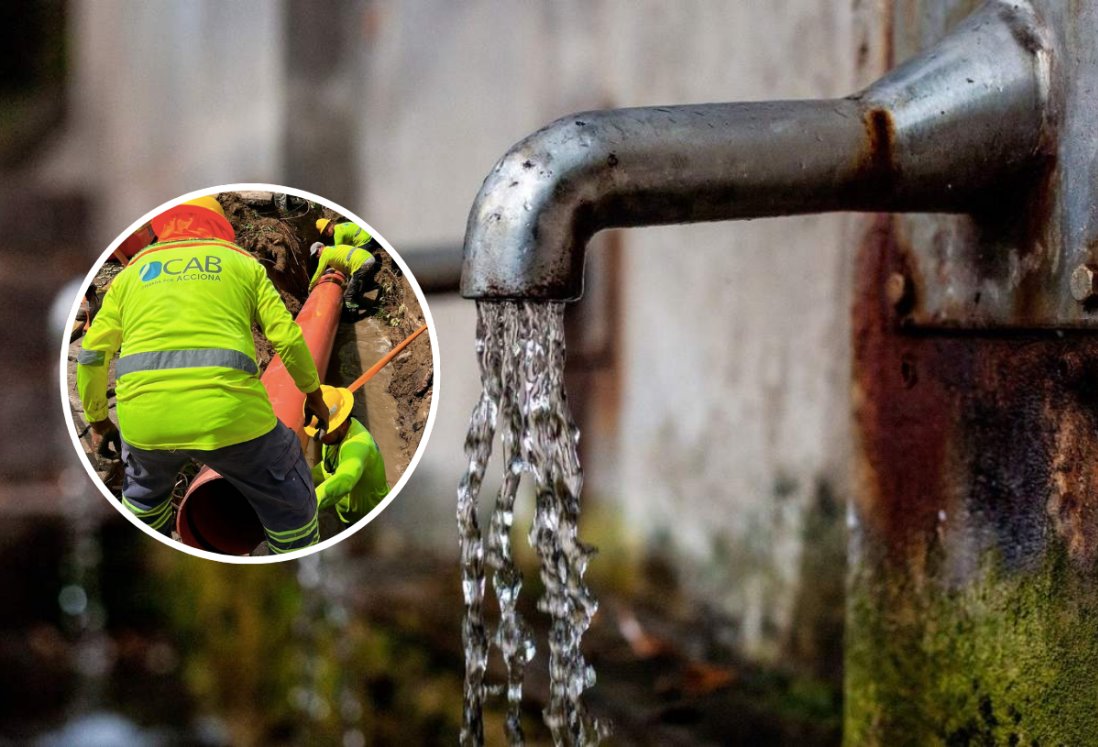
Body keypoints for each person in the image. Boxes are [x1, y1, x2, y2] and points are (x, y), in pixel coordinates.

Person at [77, 196, 331, 554]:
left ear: (163, 225)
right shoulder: (243, 264)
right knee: (292, 504)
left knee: (143, 498)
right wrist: (314, 396)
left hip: (146, 425)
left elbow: (90, 356)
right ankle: (296, 558)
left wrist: (99, 420)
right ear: (218, 224)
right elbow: (288, 337)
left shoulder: (130, 274)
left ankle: (146, 554)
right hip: (232, 419)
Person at [303, 385, 389, 526]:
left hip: (372, 519)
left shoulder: (359, 445)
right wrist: (304, 479)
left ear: (342, 424)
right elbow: (329, 468)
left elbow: (345, 480)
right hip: (350, 516)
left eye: (323, 432)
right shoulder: (332, 437)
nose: (318, 438)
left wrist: (308, 505)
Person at [308, 240, 379, 312]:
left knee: (347, 296)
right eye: (315, 255)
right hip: (368, 257)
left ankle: (353, 313)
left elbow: (318, 272)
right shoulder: (333, 248)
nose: (317, 256)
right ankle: (363, 302)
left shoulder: (325, 254)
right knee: (356, 287)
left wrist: (311, 286)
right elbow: (341, 261)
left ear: (321, 247)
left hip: (363, 263)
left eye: (317, 252)